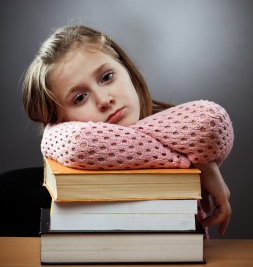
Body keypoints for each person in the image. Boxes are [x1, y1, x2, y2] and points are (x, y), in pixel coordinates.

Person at [22, 25, 234, 236]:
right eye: (80, 98)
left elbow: (212, 119)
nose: (104, 100)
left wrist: (205, 167)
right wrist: (198, 161)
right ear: (60, 122)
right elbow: (81, 143)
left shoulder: (172, 124)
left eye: (107, 77)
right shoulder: (180, 139)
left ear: (127, 70)